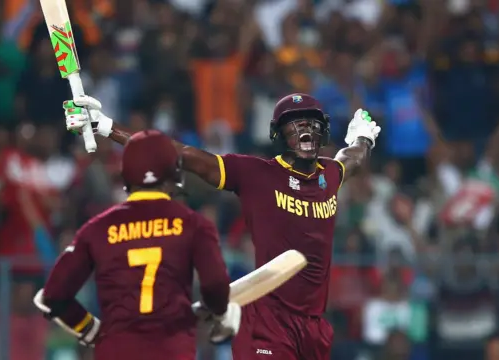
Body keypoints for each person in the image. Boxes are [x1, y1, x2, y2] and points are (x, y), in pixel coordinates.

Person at [64, 93, 381, 359]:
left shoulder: (329, 175)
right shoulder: (257, 174)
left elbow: (351, 158)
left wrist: (363, 137)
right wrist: (105, 126)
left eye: (311, 123)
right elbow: (181, 155)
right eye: (294, 125)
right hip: (267, 323)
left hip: (314, 327)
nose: (305, 131)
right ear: (279, 135)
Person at [33, 130, 241, 359]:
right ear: (174, 174)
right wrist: (221, 313)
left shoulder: (96, 229)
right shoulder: (194, 225)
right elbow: (214, 285)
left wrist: (90, 329)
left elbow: (52, 295)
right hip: (171, 351)